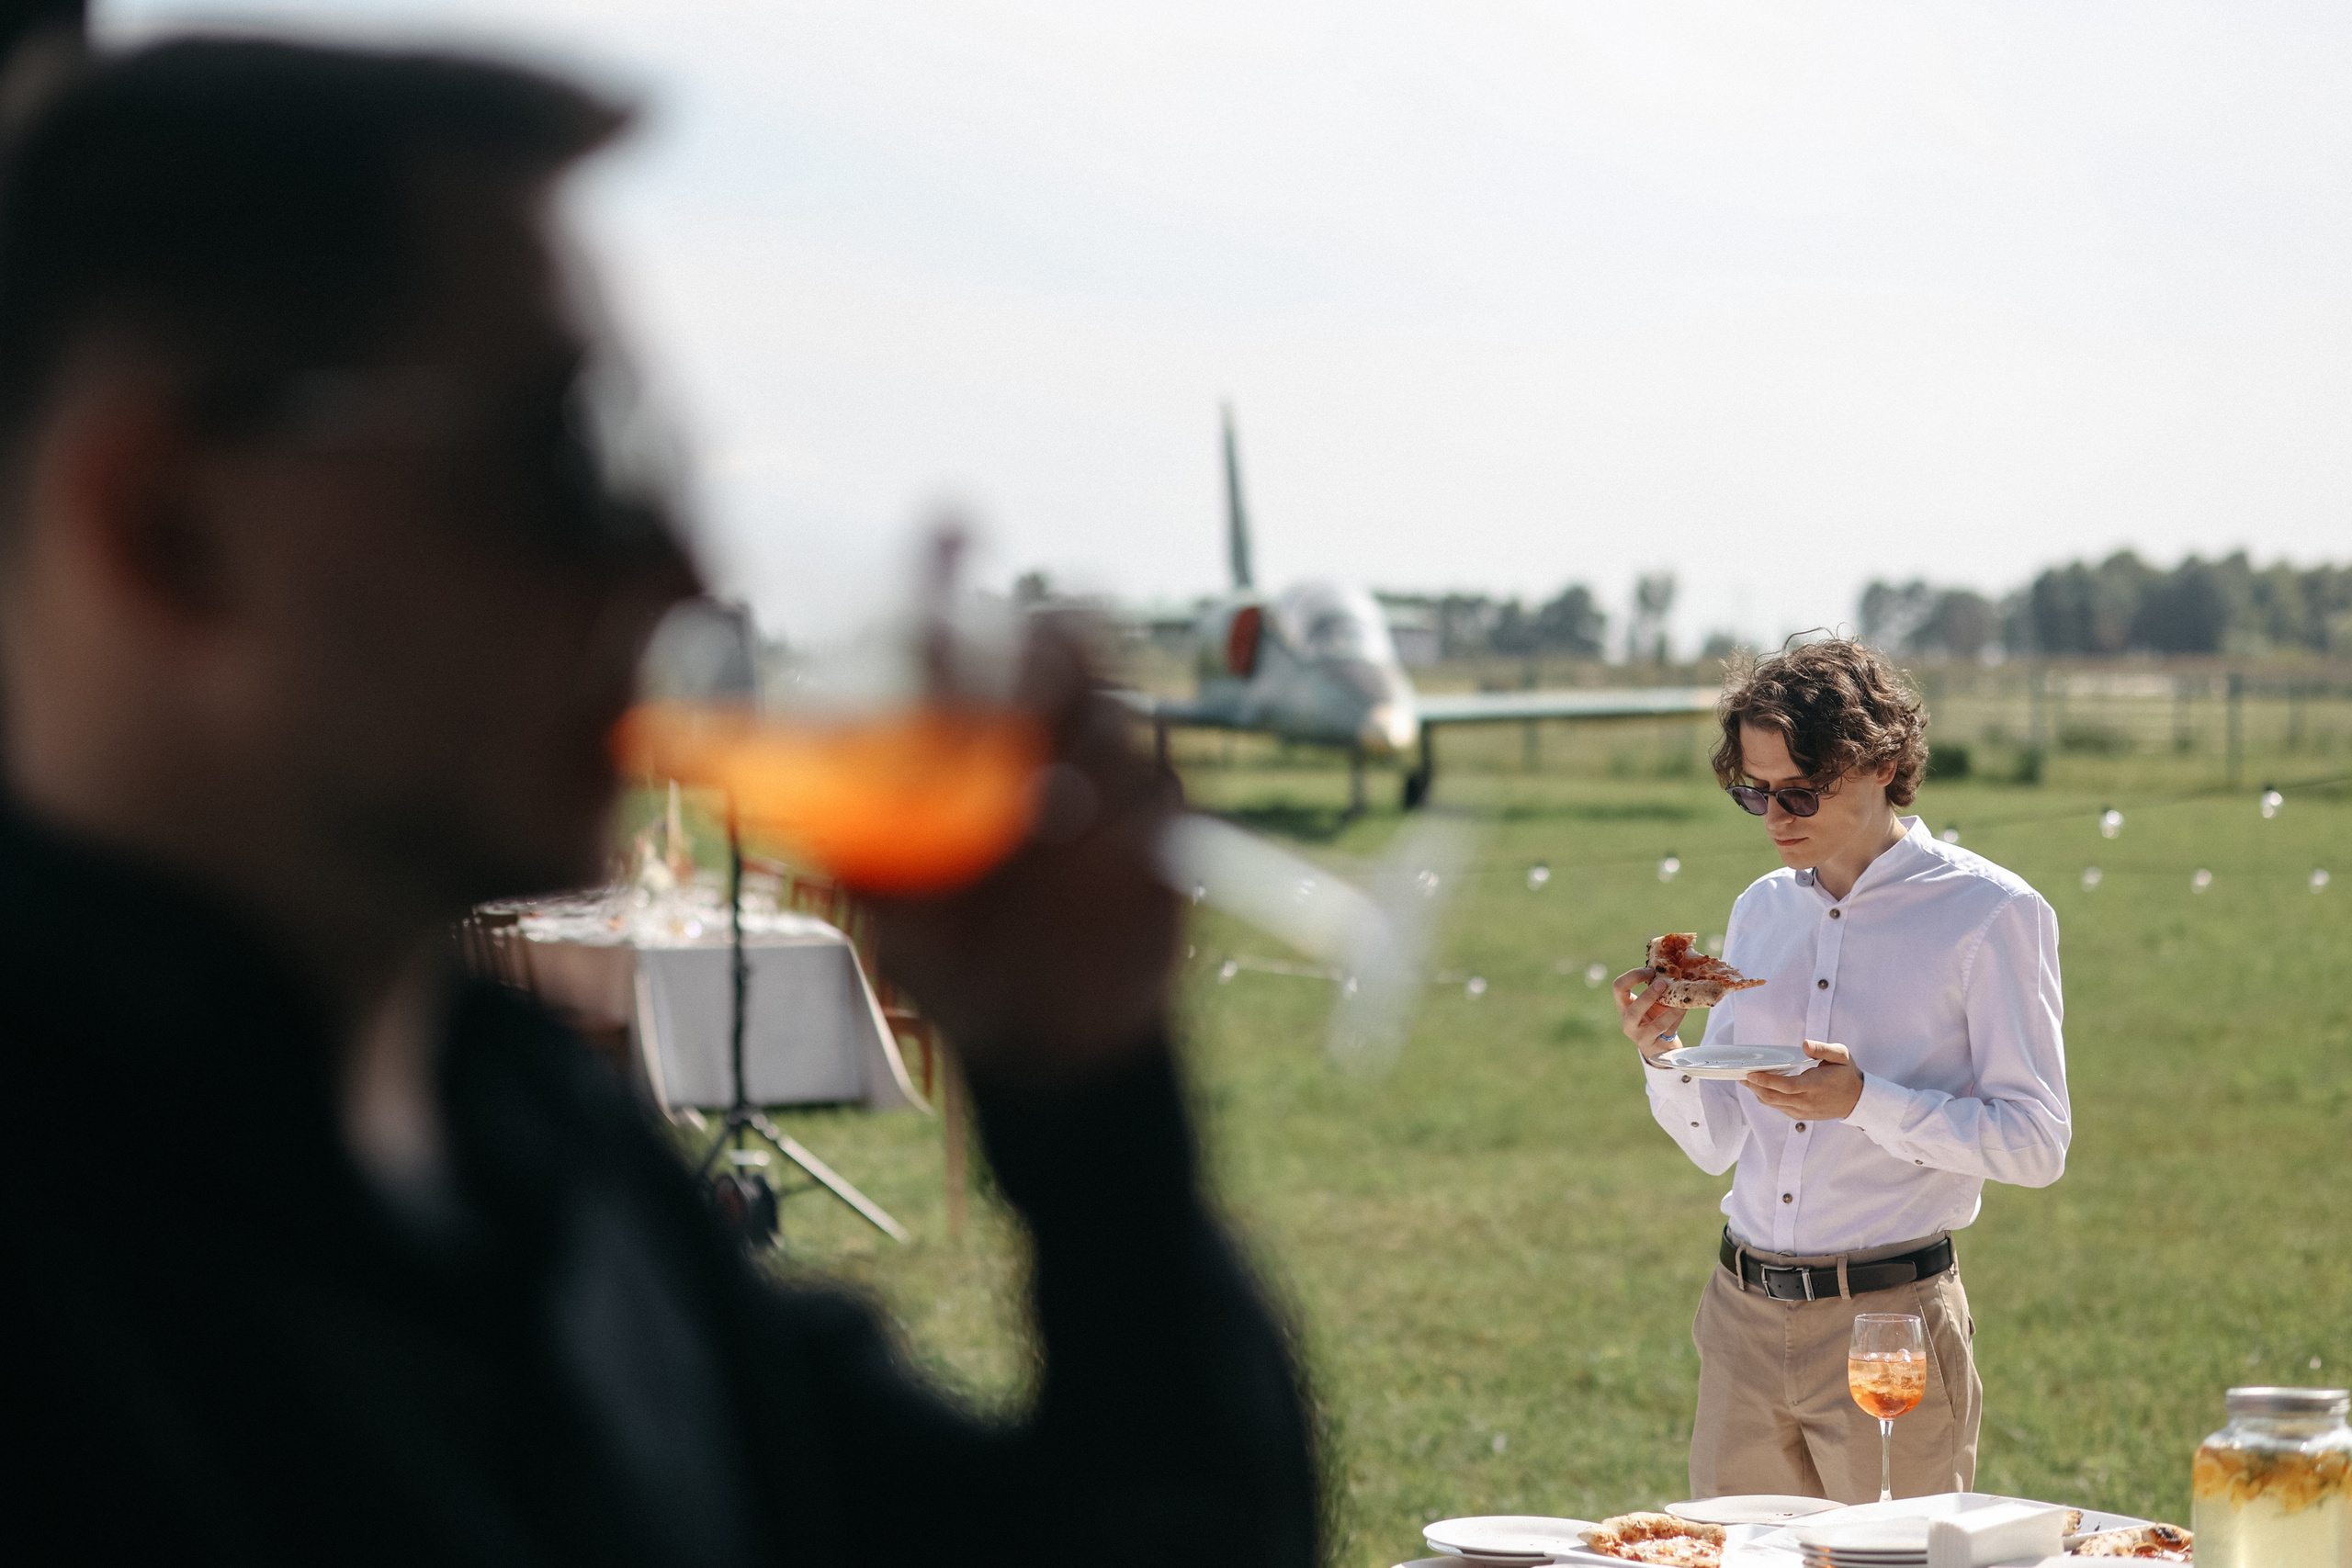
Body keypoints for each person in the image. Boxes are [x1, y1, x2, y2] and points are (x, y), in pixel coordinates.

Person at [0, 37, 1317, 1565]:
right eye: (572, 459)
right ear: (166, 526)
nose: (683, 577)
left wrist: (1090, 1103)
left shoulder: (525, 1145)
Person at [1614, 639, 2069, 1504]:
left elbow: (2038, 1142)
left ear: (1884, 764)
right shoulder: (1762, 908)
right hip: (1740, 1315)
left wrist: (1864, 1101)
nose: (1775, 815)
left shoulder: (1991, 913)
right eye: (1754, 791)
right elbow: (1718, 1143)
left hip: (1888, 1321)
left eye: (1800, 790)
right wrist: (1663, 1055)